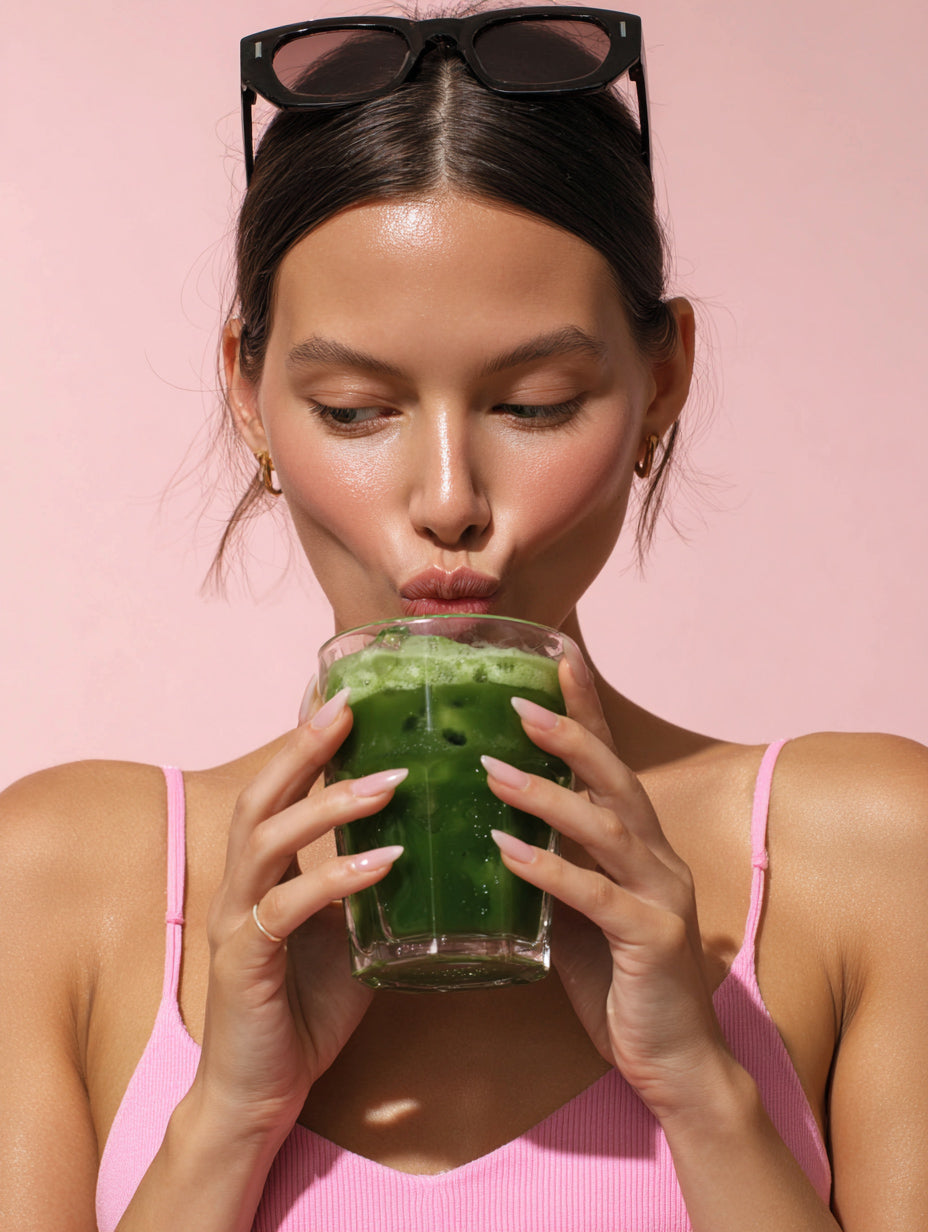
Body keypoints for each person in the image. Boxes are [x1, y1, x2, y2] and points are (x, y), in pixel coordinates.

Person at [2, 8, 926, 1231]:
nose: (448, 498)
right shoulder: (71, 880)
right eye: (353, 407)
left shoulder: (860, 860)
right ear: (248, 391)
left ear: (662, 384)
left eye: (535, 403)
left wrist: (705, 1090)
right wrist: (227, 1112)